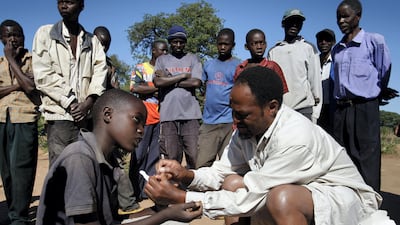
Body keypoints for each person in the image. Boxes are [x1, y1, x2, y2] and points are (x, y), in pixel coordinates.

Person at [144, 66, 395, 225]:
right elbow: (222, 172)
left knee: (281, 199)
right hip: (296, 190)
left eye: (242, 114)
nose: (235, 120)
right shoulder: (246, 127)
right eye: (233, 112)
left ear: (272, 107)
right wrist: (185, 174)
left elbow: (252, 198)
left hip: (341, 197)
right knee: (233, 182)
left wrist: (181, 197)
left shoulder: (296, 137)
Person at [35, 88, 203, 225]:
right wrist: (165, 216)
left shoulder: (107, 161)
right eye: (136, 120)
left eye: (144, 125)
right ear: (108, 114)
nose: (141, 131)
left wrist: (160, 209)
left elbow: (112, 221)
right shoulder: (80, 158)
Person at [32, 0, 108, 165]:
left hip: (86, 117)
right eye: (60, 2)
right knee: (61, 171)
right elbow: (43, 74)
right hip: (59, 116)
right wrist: (72, 103)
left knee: (87, 167)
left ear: (81, 6)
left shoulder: (92, 41)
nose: (63, 6)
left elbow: (100, 72)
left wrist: (88, 103)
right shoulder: (45, 34)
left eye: (70, 2)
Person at [331, 0, 393, 192]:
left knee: (367, 156)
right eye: (338, 17)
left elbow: (384, 70)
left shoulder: (374, 41)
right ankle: (348, 201)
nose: (341, 20)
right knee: (344, 156)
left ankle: (371, 203)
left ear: (358, 16)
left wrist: (375, 91)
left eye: (346, 16)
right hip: (342, 109)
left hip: (365, 107)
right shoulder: (337, 48)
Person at [94, 25, 142, 215]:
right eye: (100, 44)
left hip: (109, 122)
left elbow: (116, 94)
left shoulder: (109, 66)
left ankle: (123, 204)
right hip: (92, 122)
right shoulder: (83, 60)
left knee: (117, 165)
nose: (103, 48)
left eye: (106, 45)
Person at [0, 19, 40, 225]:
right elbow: (24, 84)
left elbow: (32, 87)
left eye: (17, 35)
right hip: (1, 120)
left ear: (24, 37)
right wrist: (18, 86)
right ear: (1, 38)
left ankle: (19, 217)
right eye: (8, 36)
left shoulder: (33, 61)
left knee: (22, 170)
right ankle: (14, 209)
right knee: (6, 171)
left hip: (24, 118)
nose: (13, 39)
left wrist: (12, 61)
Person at [154, 25, 202, 169]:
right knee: (171, 158)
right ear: (170, 42)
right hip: (169, 116)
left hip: (190, 115)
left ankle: (195, 188)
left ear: (185, 42)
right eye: (175, 41)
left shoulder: (193, 59)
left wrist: (169, 80)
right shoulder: (162, 60)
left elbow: (196, 82)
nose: (178, 45)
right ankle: (172, 190)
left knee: (195, 156)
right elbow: (158, 82)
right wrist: (183, 76)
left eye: (181, 42)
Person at [195, 28, 240, 169]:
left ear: (233, 45)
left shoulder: (239, 65)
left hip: (229, 123)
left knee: (229, 167)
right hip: (209, 122)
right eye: (219, 43)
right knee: (202, 164)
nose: (222, 47)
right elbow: (202, 87)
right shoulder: (208, 64)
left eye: (226, 44)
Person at [130, 39, 168, 199]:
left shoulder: (166, 70)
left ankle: (147, 191)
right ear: (154, 51)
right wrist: (155, 89)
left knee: (154, 156)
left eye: (166, 51)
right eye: (162, 50)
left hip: (161, 117)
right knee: (138, 155)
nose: (165, 53)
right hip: (143, 117)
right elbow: (135, 87)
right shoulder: (141, 68)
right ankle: (133, 190)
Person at [268, 9, 322, 121]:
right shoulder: (274, 51)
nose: (294, 25)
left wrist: (315, 114)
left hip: (304, 109)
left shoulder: (308, 48)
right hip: (281, 111)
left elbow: (315, 82)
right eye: (291, 21)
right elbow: (271, 85)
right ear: (283, 24)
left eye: (298, 22)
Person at [233, 28, 288, 95]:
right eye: (255, 43)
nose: (259, 47)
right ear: (246, 47)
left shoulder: (272, 67)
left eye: (262, 43)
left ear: (266, 44)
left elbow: (282, 91)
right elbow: (236, 92)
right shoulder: (240, 69)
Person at [315, 28, 336, 133]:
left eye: (327, 40)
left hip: (332, 107)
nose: (323, 43)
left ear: (333, 42)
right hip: (317, 108)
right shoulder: (313, 61)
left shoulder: (337, 61)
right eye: (320, 40)